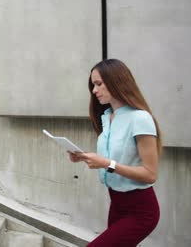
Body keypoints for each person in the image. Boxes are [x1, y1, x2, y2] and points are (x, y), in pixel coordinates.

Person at [69, 59, 162, 246]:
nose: (94, 91)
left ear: (116, 82)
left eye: (98, 84)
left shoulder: (140, 118)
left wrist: (106, 164)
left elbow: (150, 174)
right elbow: (114, 156)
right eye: (93, 85)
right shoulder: (107, 117)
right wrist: (84, 156)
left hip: (141, 210)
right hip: (117, 203)